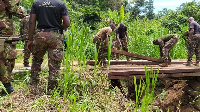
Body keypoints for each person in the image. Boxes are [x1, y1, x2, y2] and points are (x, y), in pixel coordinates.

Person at [27, 0, 70, 91]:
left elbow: (31, 22)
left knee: (36, 60)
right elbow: (67, 23)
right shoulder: (60, 4)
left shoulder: (36, 3)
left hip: (40, 35)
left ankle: (33, 86)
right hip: (55, 36)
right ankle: (52, 89)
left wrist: (30, 39)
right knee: (54, 63)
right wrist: (59, 29)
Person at [0, 0, 25, 95]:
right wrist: (22, 9)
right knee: (5, 59)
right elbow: (17, 12)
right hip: (4, 32)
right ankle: (7, 85)